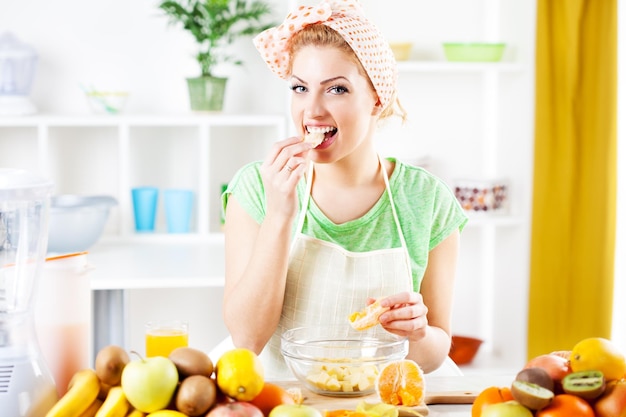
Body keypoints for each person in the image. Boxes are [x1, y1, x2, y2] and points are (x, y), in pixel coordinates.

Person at [221, 0, 468, 380]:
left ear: (376, 98)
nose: (312, 110)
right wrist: (280, 214)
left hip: (382, 403)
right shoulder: (255, 187)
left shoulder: (427, 200)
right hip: (281, 401)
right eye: (300, 87)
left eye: (336, 89)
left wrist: (417, 332)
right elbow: (247, 338)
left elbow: (434, 353)